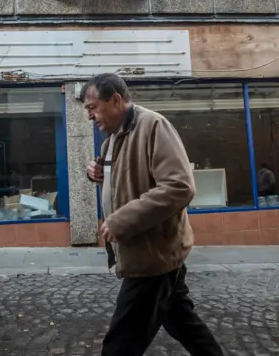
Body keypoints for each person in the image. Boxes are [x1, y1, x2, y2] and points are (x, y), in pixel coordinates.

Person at [82, 73, 223, 356]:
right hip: (145, 251)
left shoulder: (154, 126)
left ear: (116, 100)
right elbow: (129, 178)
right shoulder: (110, 142)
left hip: (152, 257)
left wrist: (121, 220)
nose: (89, 116)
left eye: (92, 107)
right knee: (183, 324)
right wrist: (98, 174)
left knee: (120, 345)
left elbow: (179, 186)